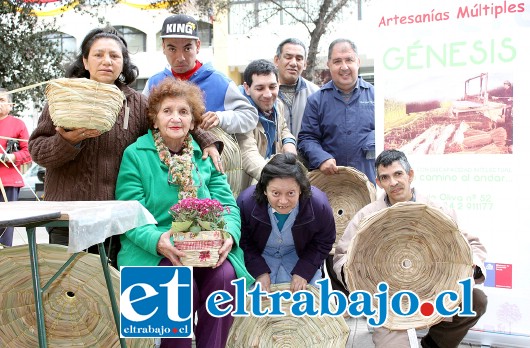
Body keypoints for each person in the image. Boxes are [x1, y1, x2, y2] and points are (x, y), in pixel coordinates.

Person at [28, 26, 221, 268]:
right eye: (98, 55)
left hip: (117, 219)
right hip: (68, 217)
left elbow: (173, 118)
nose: (106, 61)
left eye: (114, 55)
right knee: (67, 292)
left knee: (109, 292)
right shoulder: (64, 98)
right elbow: (37, 151)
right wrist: (68, 141)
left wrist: (207, 140)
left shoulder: (138, 104)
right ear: (85, 61)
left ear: (123, 63)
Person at [115, 77, 253, 348]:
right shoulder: (136, 154)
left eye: (183, 112)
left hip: (205, 248)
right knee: (178, 287)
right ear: (154, 120)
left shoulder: (205, 155)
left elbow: (227, 204)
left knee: (225, 278)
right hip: (155, 251)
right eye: (167, 111)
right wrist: (157, 241)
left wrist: (229, 235)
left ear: (193, 121)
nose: (175, 118)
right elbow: (131, 212)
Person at [333, 149, 488, 348]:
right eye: (385, 177)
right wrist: (355, 276)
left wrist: (471, 266)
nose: (393, 182)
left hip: (435, 290)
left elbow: (472, 244)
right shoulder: (367, 216)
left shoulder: (436, 209)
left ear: (410, 175)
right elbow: (341, 256)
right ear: (379, 182)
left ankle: (433, 344)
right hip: (389, 300)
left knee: (476, 301)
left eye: (398, 174)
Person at [143, 14, 258, 134]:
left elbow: (250, 117)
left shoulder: (220, 82)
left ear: (198, 46)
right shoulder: (153, 83)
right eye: (172, 49)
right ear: (163, 47)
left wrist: (221, 118)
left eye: (187, 49)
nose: (180, 57)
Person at [237, 152, 335, 292]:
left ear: (300, 189)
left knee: (313, 301)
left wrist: (304, 271)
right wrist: (258, 270)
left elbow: (324, 241)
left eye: (291, 193)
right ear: (265, 190)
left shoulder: (318, 205)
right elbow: (242, 241)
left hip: (299, 257)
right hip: (260, 257)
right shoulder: (246, 203)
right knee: (251, 302)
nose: (283, 201)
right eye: (275, 193)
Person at [297, 38, 375, 185]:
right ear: (329, 65)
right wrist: (321, 157)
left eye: (349, 60)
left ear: (358, 62)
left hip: (370, 181)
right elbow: (307, 138)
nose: (344, 67)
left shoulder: (376, 97)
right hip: (330, 183)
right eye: (337, 61)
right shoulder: (316, 100)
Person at [236, 59, 297, 190]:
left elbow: (283, 128)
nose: (268, 94)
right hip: (249, 185)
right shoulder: (240, 113)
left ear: (278, 84)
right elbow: (248, 154)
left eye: (272, 87)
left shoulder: (278, 104)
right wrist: (277, 178)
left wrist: (289, 142)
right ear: (247, 88)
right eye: (260, 88)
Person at [0, 88, 32, 246]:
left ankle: (5, 259)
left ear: (10, 105)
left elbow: (29, 152)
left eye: (2, 100)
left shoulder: (18, 124)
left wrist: (9, 157)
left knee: (6, 223)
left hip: (9, 182)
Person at [273, 38, 320, 139]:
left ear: (305, 64)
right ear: (277, 60)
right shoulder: (265, 93)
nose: (293, 63)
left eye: (299, 59)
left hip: (306, 154)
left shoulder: (316, 93)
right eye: (288, 57)